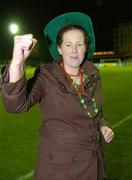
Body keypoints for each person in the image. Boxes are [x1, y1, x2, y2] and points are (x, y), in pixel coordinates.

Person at [0, 12, 114, 180]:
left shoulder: (93, 74)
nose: (74, 50)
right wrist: (18, 62)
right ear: (59, 48)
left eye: (79, 44)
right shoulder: (47, 76)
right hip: (60, 170)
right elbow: (16, 105)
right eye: (68, 45)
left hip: (93, 167)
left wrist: (103, 125)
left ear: (86, 47)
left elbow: (94, 112)